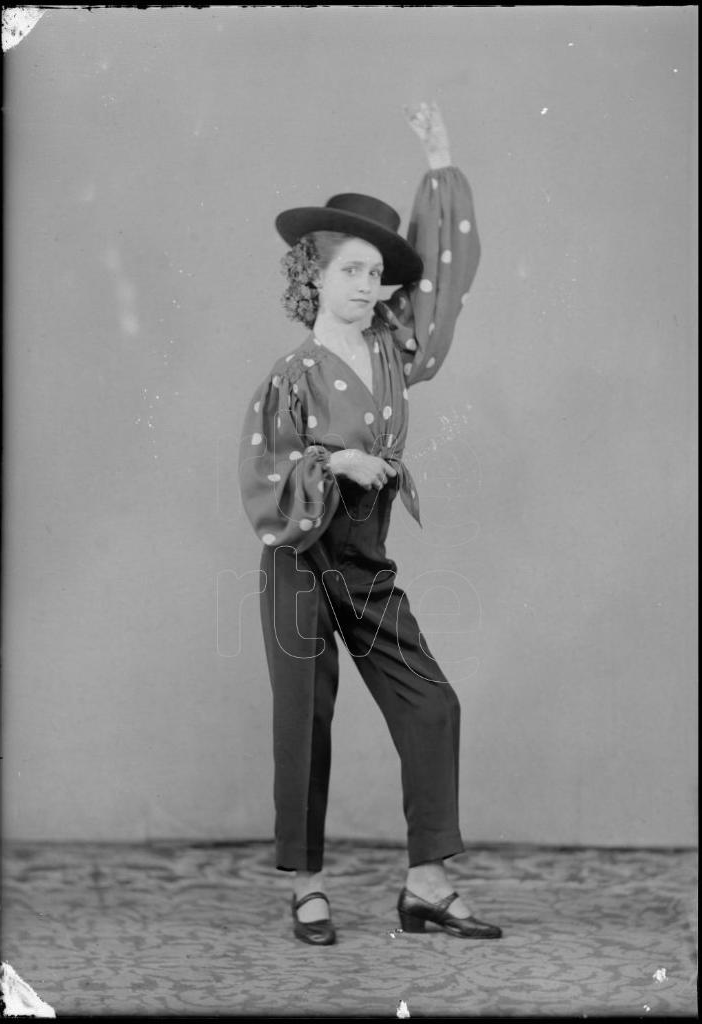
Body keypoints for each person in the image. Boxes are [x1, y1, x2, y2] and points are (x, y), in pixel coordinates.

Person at [238, 102, 501, 945]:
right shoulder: (292, 373)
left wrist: (440, 164)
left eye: (376, 272)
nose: (367, 285)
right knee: (304, 720)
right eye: (350, 269)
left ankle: (427, 886)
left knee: (431, 704)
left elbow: (445, 283)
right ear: (313, 274)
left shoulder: (396, 354)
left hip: (364, 558)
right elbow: (262, 481)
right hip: (301, 558)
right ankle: (308, 889)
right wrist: (333, 464)